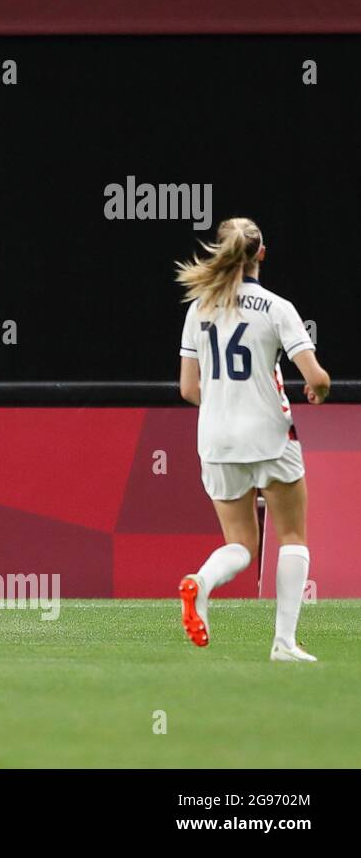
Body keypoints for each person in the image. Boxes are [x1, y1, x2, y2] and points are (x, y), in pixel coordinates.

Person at [175, 217, 330, 662]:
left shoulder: (198, 308)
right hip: (270, 436)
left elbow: (188, 389)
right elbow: (315, 378)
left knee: (240, 544)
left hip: (217, 440)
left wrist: (226, 399)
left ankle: (201, 582)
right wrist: (318, 391)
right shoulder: (277, 307)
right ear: (261, 253)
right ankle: (283, 642)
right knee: (294, 535)